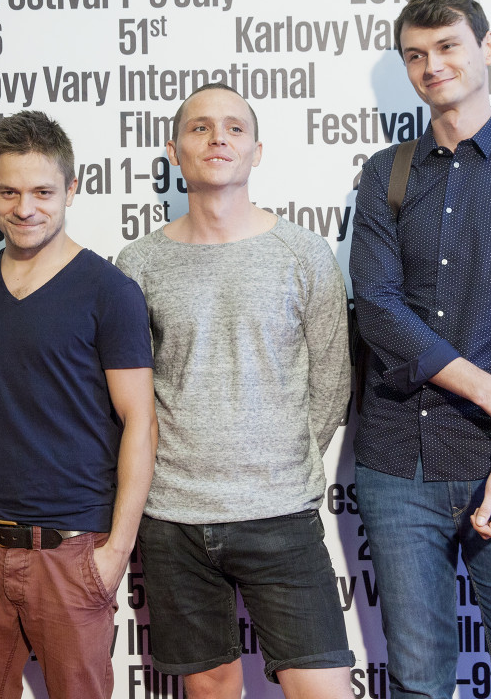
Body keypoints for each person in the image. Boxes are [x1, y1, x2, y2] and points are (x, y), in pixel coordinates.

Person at [349, 0, 491, 698]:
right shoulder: (384, 173)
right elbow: (378, 309)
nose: (432, 66)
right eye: (415, 55)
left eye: (447, 46)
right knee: (418, 683)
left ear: (488, 46)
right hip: (399, 464)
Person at [116, 83, 355, 699]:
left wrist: (282, 459)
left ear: (257, 151)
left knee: (324, 689)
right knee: (211, 691)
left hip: (282, 513)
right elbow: (130, 397)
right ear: (174, 151)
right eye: (199, 127)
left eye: (234, 127)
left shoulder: (303, 253)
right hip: (174, 520)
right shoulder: (138, 264)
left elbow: (332, 379)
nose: (217, 138)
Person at [0, 110, 156, 699]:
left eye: (42, 192)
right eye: (9, 192)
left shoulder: (110, 291)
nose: (24, 208)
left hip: (73, 549)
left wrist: (116, 551)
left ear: (71, 190)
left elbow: (139, 419)